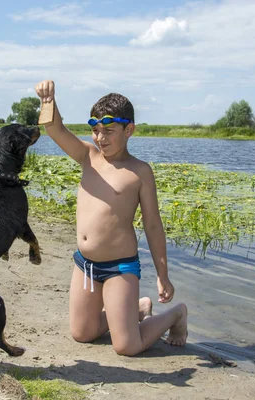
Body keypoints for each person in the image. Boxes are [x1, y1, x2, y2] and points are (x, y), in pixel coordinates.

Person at [35, 80, 188, 356]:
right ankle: (139, 308)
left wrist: (163, 275)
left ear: (129, 130)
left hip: (120, 268)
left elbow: (153, 225)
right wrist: (48, 100)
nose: (100, 138)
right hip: (86, 266)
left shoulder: (139, 172)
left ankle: (175, 315)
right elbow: (54, 129)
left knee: (127, 347)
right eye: (95, 131)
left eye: (108, 131)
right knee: (82, 334)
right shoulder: (88, 156)